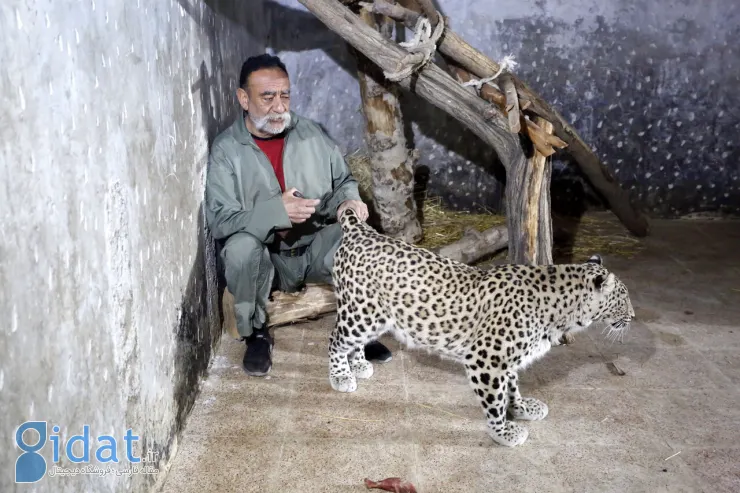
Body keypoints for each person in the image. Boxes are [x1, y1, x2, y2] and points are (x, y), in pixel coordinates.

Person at [204, 54, 392, 376]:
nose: (280, 107)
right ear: (243, 99)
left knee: (363, 240)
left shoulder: (311, 133)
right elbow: (221, 221)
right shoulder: (226, 151)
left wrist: (348, 202)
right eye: (268, 97)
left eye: (285, 95)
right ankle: (257, 334)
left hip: (314, 244)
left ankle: (359, 330)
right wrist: (277, 211)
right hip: (269, 260)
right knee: (239, 248)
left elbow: (343, 182)